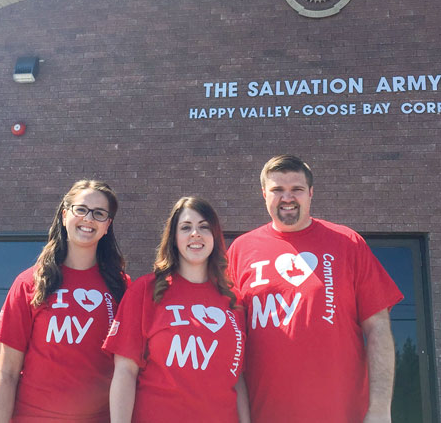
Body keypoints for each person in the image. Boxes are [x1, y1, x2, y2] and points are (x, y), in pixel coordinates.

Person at [227, 155, 403, 423]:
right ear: (264, 194)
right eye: (277, 190)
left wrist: (380, 410)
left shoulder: (347, 243)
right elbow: (230, 340)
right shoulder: (240, 250)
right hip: (265, 414)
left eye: (296, 189)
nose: (287, 197)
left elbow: (378, 327)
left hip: (342, 414)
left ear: (310, 193)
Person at [0, 180, 129, 422]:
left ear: (107, 225)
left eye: (99, 213)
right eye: (81, 209)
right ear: (65, 215)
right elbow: (6, 374)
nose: (88, 218)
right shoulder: (29, 283)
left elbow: (128, 372)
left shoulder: (122, 287)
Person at [104, 197, 250, 423]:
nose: (195, 234)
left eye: (204, 227)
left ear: (215, 236)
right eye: (186, 227)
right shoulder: (145, 290)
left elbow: (237, 377)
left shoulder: (233, 299)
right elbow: (125, 371)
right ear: (173, 237)